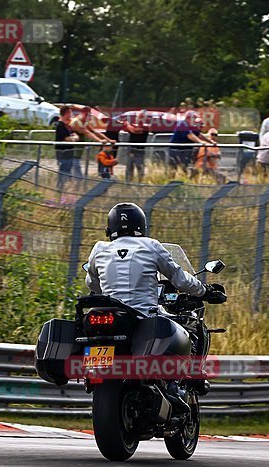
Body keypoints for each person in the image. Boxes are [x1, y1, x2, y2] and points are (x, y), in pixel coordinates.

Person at [85, 203, 226, 395]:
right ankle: (179, 381)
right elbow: (180, 279)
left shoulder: (99, 249)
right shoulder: (152, 245)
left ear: (110, 228)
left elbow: (92, 283)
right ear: (141, 226)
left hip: (111, 316)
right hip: (144, 316)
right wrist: (204, 290)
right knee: (182, 329)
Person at [54, 106, 83, 189]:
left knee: (68, 169)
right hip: (62, 152)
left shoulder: (68, 126)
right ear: (66, 113)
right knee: (63, 170)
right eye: (70, 113)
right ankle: (60, 188)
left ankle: (64, 188)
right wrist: (72, 138)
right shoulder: (60, 125)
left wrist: (73, 138)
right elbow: (68, 138)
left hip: (70, 152)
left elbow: (76, 136)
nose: (71, 115)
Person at [124, 110, 149, 181]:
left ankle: (140, 184)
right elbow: (126, 129)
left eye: (141, 117)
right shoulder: (133, 125)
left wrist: (127, 125)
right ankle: (127, 184)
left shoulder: (146, 127)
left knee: (140, 168)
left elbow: (135, 131)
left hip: (140, 151)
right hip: (131, 150)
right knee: (129, 168)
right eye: (138, 117)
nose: (139, 119)